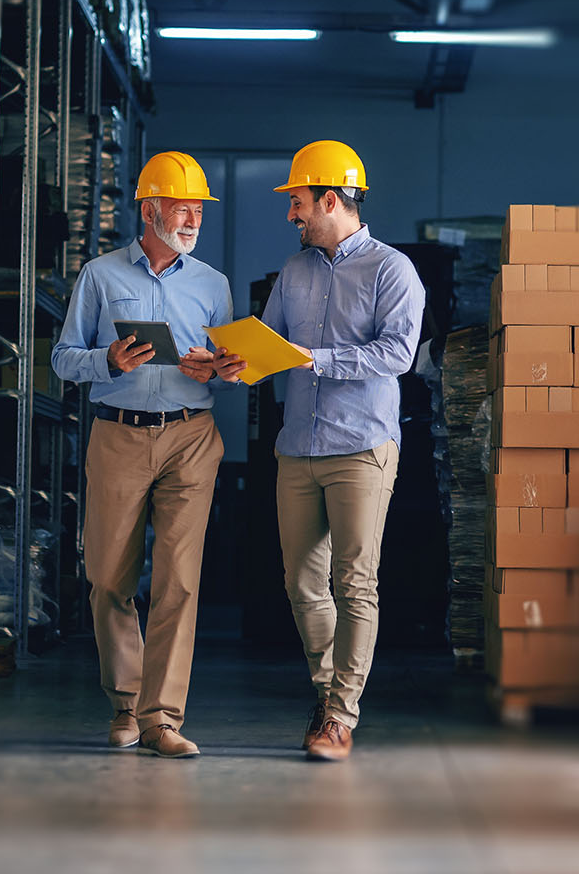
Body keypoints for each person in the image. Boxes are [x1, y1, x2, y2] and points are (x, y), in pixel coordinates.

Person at [51, 150, 247, 759]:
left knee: (178, 580)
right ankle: (124, 706)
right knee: (108, 575)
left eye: (198, 209)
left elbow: (229, 367)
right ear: (148, 209)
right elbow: (61, 357)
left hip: (192, 436)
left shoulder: (212, 284)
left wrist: (217, 369)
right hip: (118, 433)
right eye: (180, 207)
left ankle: (162, 718)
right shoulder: (101, 276)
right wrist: (106, 360)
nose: (191, 218)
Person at [257, 140, 424, 761]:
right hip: (297, 444)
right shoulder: (293, 273)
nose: (292, 215)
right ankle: (327, 696)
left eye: (298, 203)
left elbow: (396, 356)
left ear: (331, 199)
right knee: (303, 583)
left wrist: (315, 359)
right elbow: (270, 346)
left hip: (361, 447)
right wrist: (227, 361)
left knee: (355, 581)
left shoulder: (391, 270)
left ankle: (341, 715)